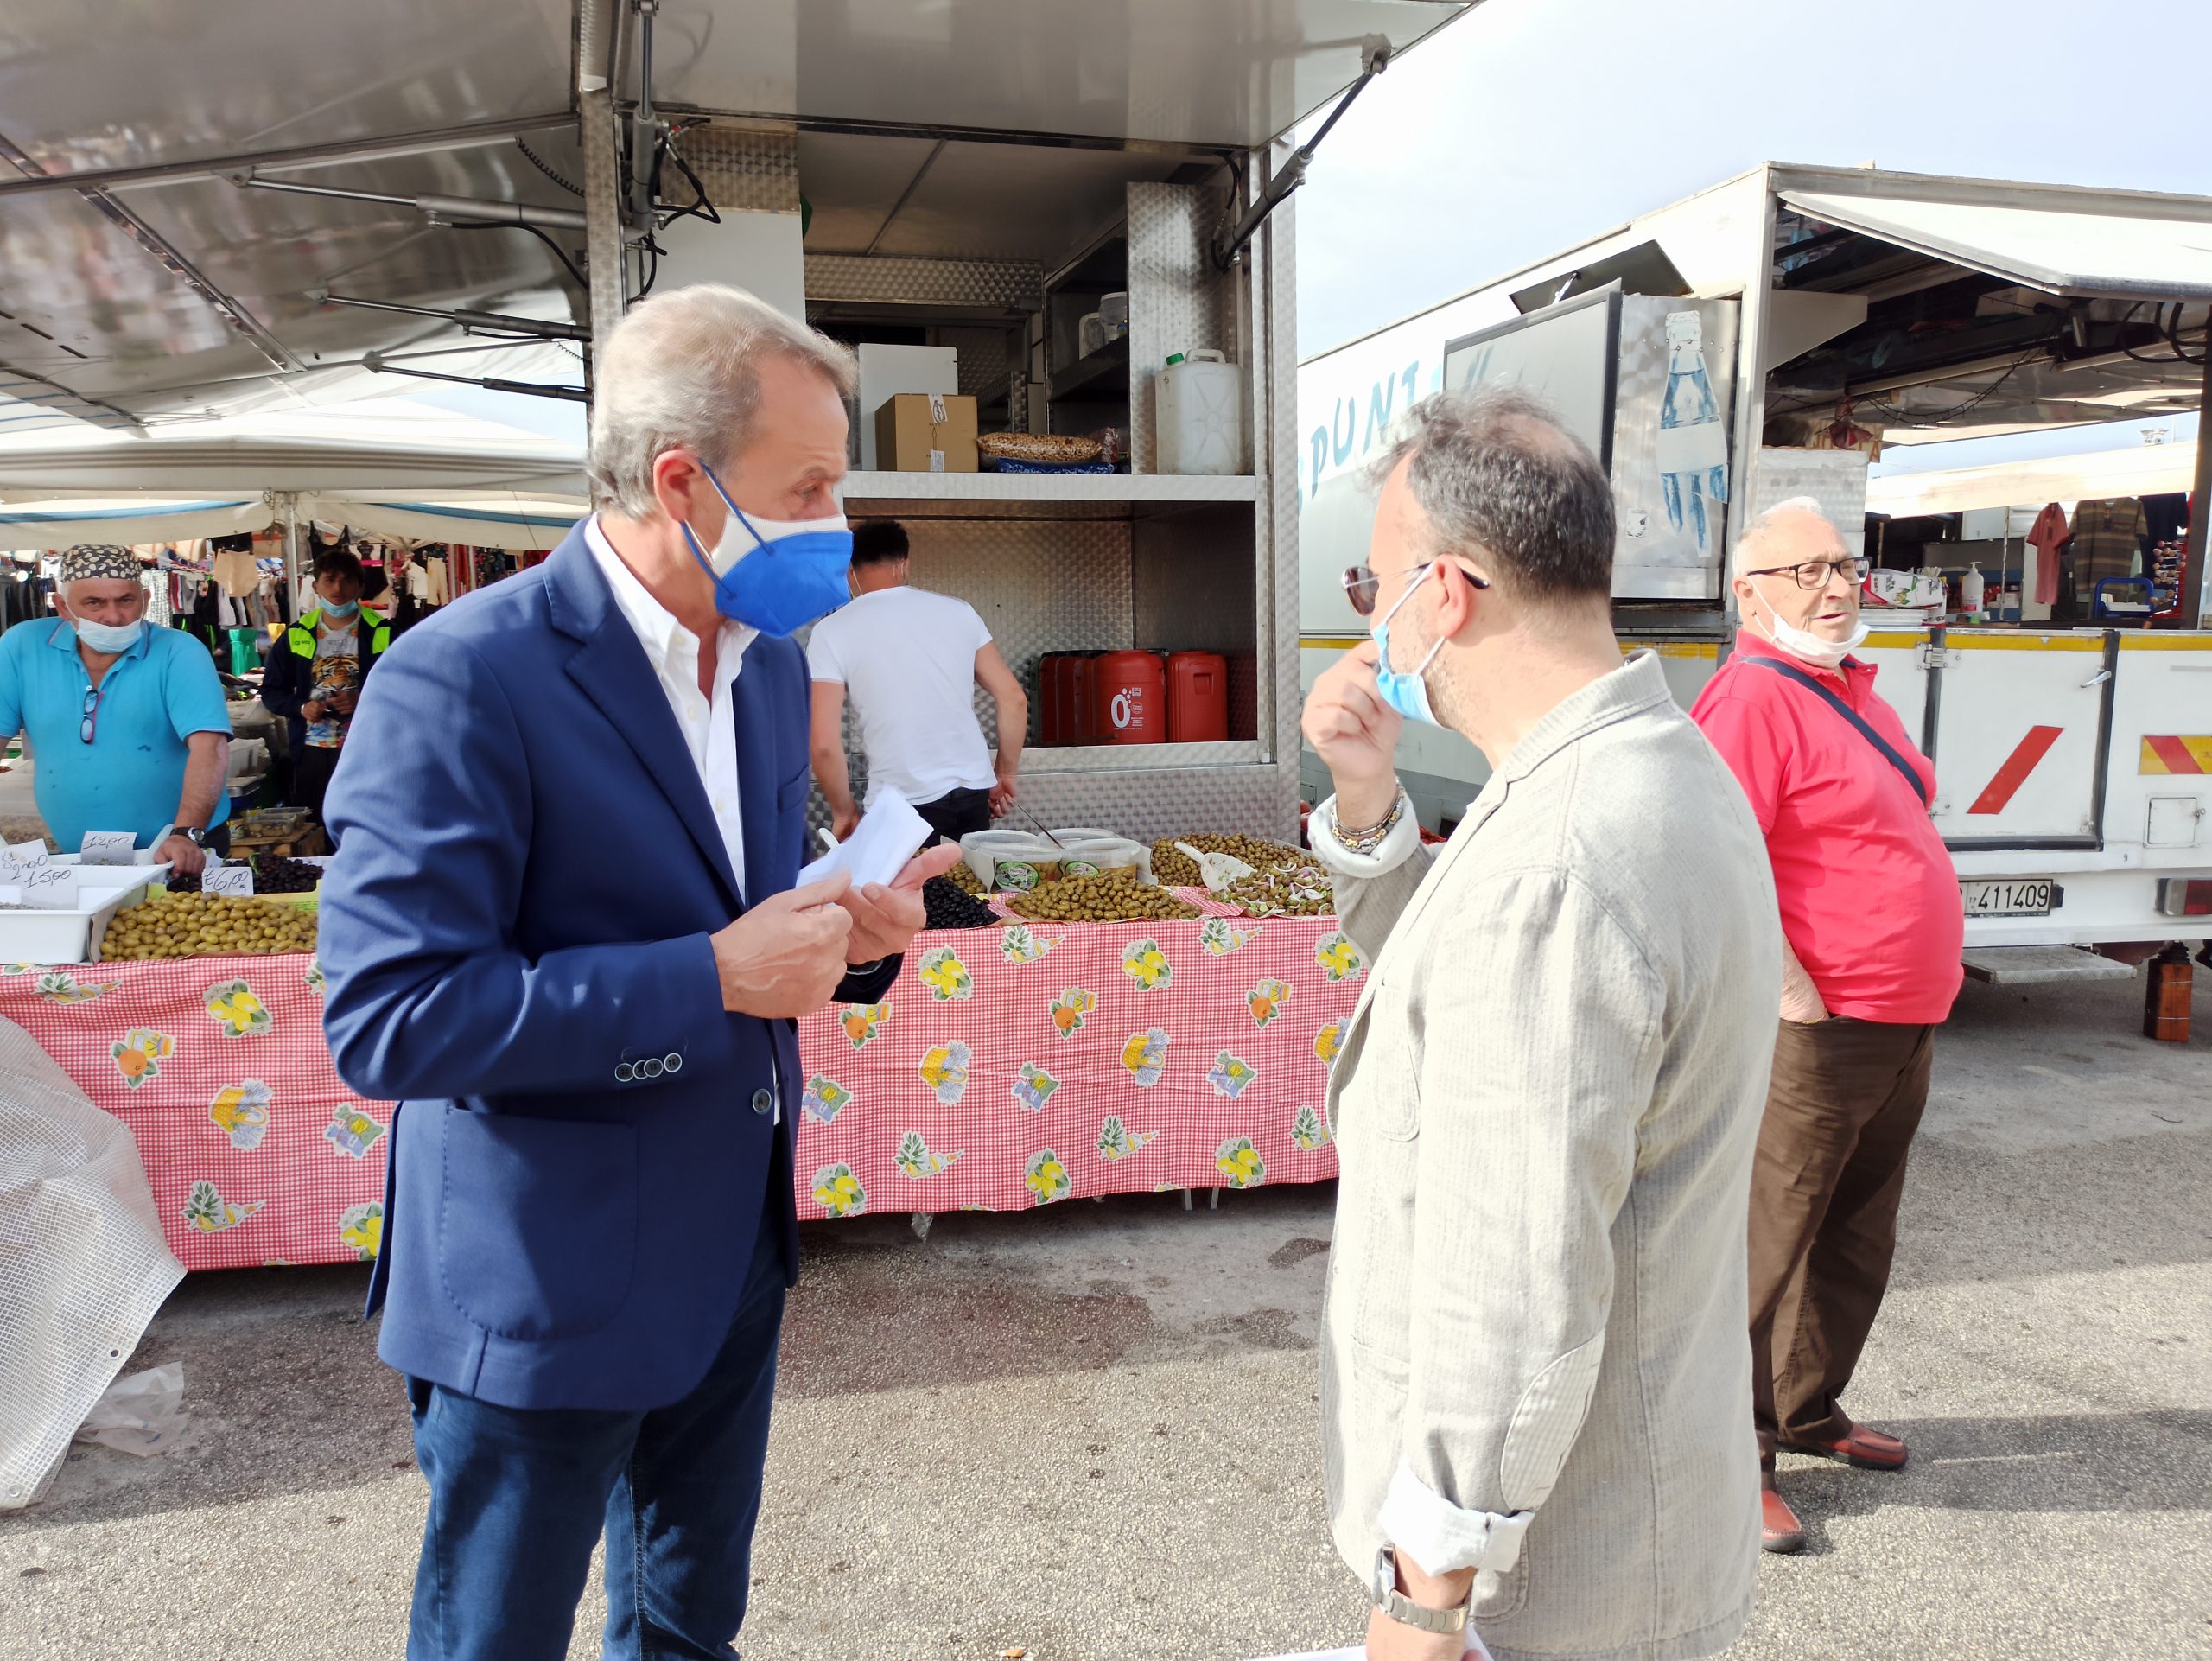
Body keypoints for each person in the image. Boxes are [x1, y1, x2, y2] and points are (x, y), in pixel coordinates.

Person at [316, 283, 958, 1661]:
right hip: (542, 1282)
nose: (836, 524)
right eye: (810, 485)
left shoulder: (772, 669)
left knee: (687, 1629)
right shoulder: (462, 678)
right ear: (685, 478)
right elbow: (390, 1021)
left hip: (731, 1252)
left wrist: (849, 932)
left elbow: (746, 915)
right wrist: (711, 976)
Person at [1300, 387, 1780, 1661]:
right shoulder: (1649, 766)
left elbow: (1510, 1273)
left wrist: (1424, 1596)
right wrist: (1368, 800)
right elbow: (1474, 1002)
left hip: (1560, 1584)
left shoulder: (1559, 857)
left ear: (1443, 595)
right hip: (1635, 1522)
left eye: (1376, 580)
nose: (1372, 616)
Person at [1688, 498, 1963, 1555]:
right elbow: (1719, 856)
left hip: (1903, 1012)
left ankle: (1806, 1413)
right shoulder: (1750, 696)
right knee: (1766, 1245)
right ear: (1746, 594)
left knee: (1854, 1229)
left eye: (1843, 564)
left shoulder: (1849, 688)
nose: (1835, 585)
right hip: (1821, 1022)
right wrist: (1789, 986)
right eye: (1803, 571)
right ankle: (1731, 1455)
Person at [0, 544, 230, 873]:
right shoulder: (21, 646)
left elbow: (210, 747)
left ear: (146, 600)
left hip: (176, 850)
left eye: (126, 600)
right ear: (63, 607)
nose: (113, 617)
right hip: (76, 856)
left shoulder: (179, 650)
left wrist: (185, 833)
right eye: (94, 603)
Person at [806, 518, 1027, 844]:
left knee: (905, 896)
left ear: (849, 571)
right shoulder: (959, 612)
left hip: (900, 804)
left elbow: (823, 743)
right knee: (969, 895)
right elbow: (1013, 698)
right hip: (973, 794)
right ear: (904, 564)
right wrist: (1004, 773)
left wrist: (843, 811)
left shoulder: (832, 631)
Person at [257, 545, 389, 837]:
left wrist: (363, 700)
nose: (338, 588)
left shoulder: (384, 631)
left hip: (368, 748)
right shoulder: (297, 633)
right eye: (329, 580)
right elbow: (271, 692)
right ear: (315, 586)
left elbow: (407, 689)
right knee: (316, 827)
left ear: (360, 586)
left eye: (347, 581)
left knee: (367, 825)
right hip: (312, 753)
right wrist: (301, 707)